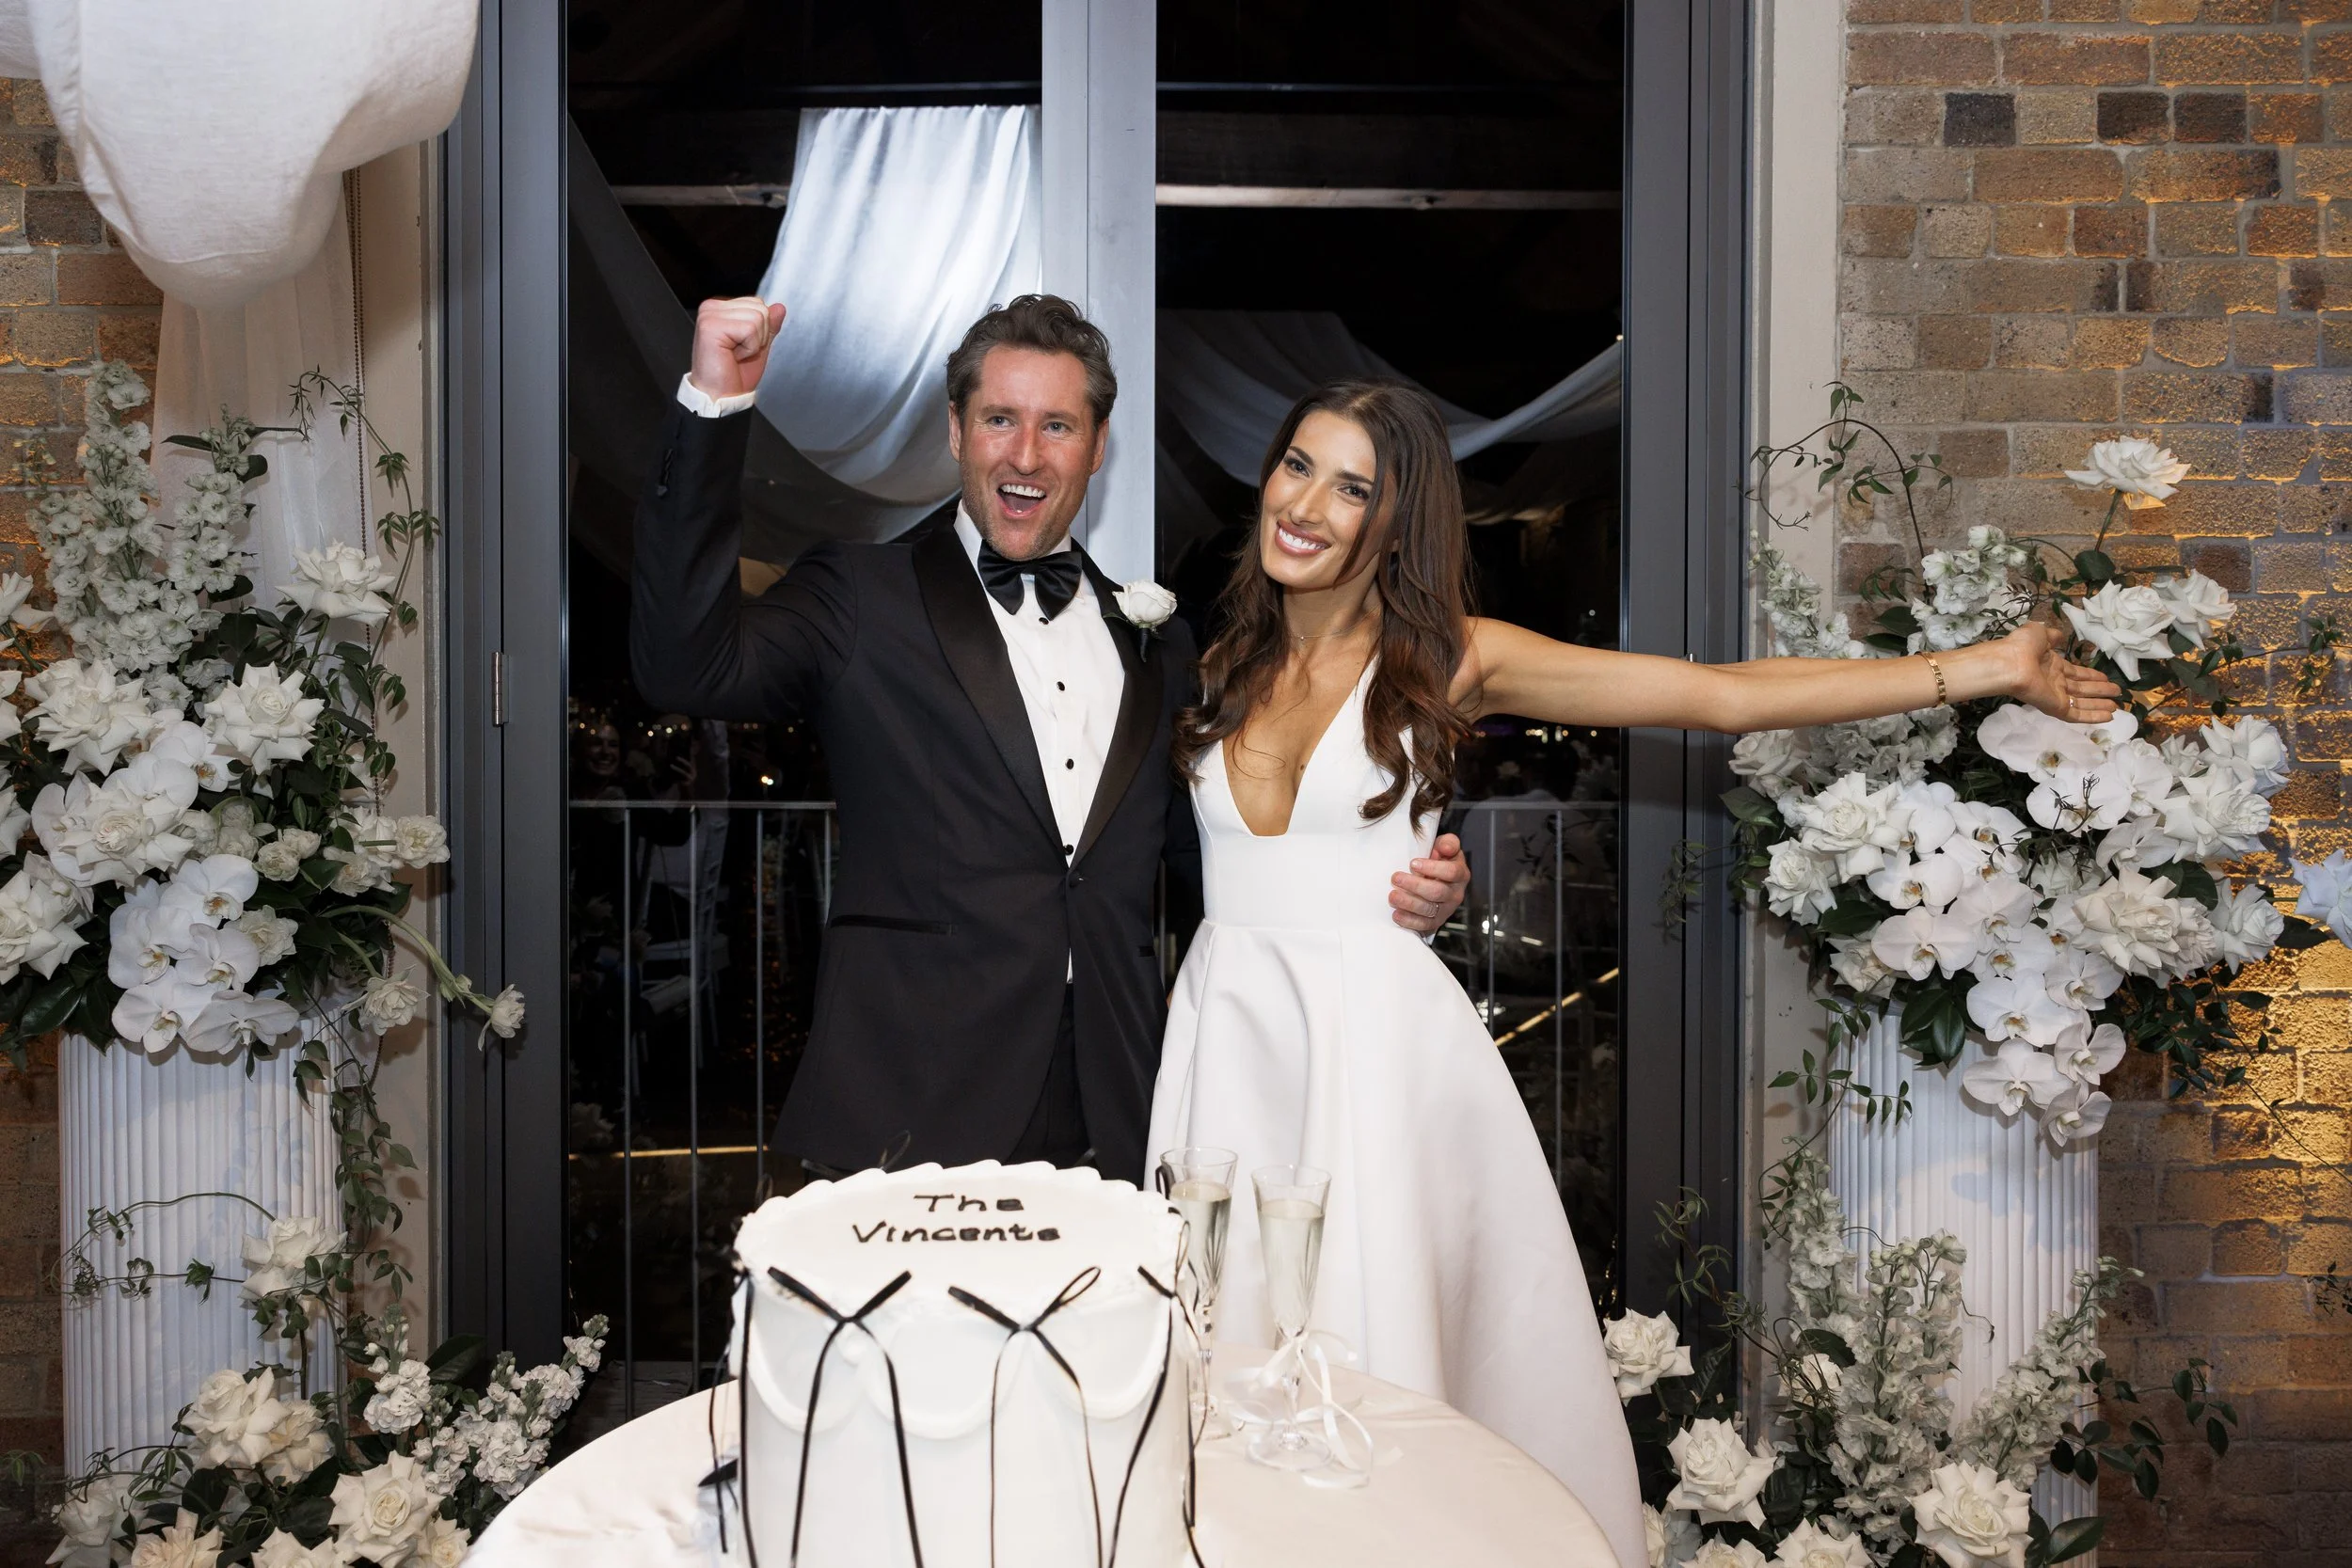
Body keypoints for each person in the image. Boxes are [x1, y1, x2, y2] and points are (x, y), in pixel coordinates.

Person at [1143, 379, 2121, 1568]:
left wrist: (1984, 666)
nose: (1305, 504)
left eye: (1352, 487)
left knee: (1370, 1363)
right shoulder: (1220, 658)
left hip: (1371, 1062)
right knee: (1221, 1377)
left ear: (1395, 524)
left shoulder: (1451, 657)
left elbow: (1714, 698)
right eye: (1297, 465)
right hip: (1226, 1050)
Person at [629, 294, 1471, 1184]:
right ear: (956, 430)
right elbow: (686, 665)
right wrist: (715, 403)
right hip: (908, 1115)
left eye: (1058, 425)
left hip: (1116, 1118)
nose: (1026, 454)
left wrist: (1406, 878)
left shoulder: (1159, 642)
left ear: (1098, 447)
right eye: (1000, 418)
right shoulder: (858, 595)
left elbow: (1219, 858)